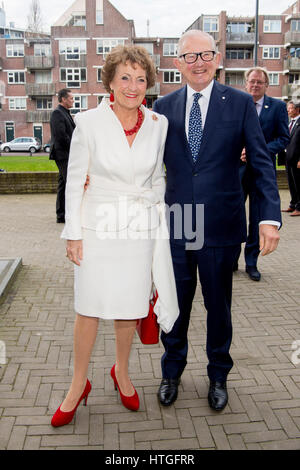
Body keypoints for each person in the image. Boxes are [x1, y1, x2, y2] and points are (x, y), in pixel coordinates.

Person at [51, 45, 179, 427]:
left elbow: (157, 177)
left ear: (148, 85)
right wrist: (73, 234)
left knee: (129, 308)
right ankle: (77, 384)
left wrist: (153, 205)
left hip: (138, 229)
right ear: (109, 80)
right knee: (88, 308)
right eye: (125, 77)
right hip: (96, 228)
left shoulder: (159, 124)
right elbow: (74, 180)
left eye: (141, 79)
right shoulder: (88, 122)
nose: (133, 86)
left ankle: (121, 372)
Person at [153, 30, 281, 411]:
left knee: (218, 306)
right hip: (177, 222)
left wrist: (269, 217)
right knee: (175, 305)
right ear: (178, 64)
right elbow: (143, 162)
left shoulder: (240, 103)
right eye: (189, 57)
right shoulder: (162, 106)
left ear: (217, 57)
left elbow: (261, 162)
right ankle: (171, 370)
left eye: (205, 54)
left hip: (220, 223)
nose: (198, 63)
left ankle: (218, 375)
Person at [234, 67, 289, 281]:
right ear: (246, 83)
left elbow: (283, 138)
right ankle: (231, 259)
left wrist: (258, 150)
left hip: (261, 173)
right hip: (237, 171)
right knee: (234, 217)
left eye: (260, 82)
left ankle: (251, 263)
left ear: (266, 85)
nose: (255, 85)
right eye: (252, 81)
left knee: (257, 219)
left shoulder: (277, 107)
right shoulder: (237, 106)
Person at [49, 88, 75, 223]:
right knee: (69, 183)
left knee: (63, 184)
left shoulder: (66, 113)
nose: (73, 100)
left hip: (65, 154)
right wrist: (75, 149)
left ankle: (61, 214)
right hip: (62, 154)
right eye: (71, 98)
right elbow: (61, 136)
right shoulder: (57, 113)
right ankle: (65, 214)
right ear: (63, 99)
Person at [282, 100, 300, 216]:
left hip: (297, 159)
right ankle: (293, 204)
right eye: (288, 108)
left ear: (298, 110)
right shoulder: (290, 122)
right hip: (288, 158)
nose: (288, 110)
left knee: (299, 183)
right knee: (291, 183)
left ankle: (299, 208)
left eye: (290, 108)